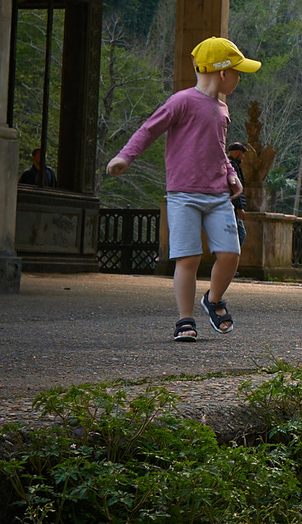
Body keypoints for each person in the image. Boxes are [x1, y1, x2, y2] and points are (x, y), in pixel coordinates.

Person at [108, 37, 259, 342]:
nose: (238, 78)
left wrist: (231, 174)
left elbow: (218, 149)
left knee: (230, 253)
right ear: (221, 73)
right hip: (184, 195)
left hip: (218, 195)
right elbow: (150, 128)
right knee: (187, 259)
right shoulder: (182, 101)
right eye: (236, 72)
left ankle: (213, 299)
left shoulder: (222, 109)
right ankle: (184, 320)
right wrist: (126, 155)